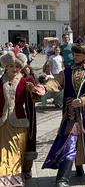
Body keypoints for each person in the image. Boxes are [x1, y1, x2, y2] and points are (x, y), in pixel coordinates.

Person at [41, 42, 85, 187]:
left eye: (78, 54)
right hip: (71, 114)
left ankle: (78, 168)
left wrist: (83, 100)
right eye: (74, 54)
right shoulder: (67, 71)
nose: (75, 57)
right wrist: (45, 88)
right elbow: (57, 82)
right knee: (70, 142)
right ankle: (62, 178)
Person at [0, 52, 42, 182]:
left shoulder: (26, 82)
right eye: (11, 66)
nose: (14, 69)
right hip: (2, 125)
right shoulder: (0, 82)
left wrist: (36, 91)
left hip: (19, 124)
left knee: (16, 152)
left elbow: (34, 99)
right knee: (5, 154)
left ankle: (15, 177)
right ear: (6, 67)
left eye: (17, 67)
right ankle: (8, 180)